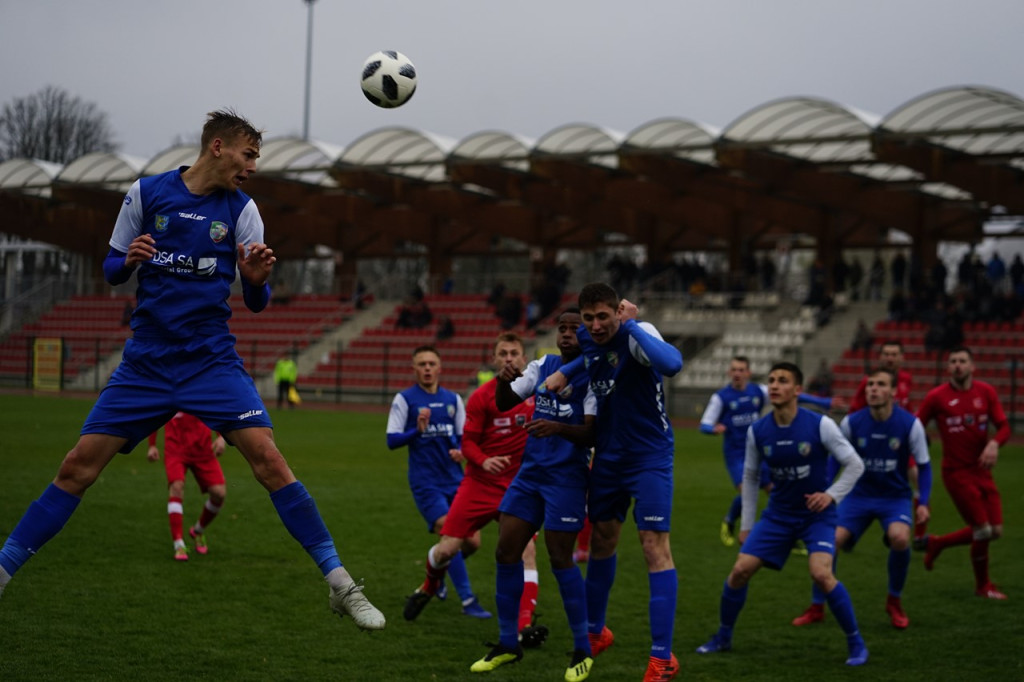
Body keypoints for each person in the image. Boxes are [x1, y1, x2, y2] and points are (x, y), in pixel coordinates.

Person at [0, 109, 384, 631]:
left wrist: (254, 279)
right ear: (218, 147)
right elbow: (112, 268)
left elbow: (256, 301)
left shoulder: (243, 211)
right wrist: (130, 259)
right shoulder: (146, 193)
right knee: (77, 467)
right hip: (147, 362)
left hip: (210, 360)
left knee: (270, 460)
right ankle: (3, 571)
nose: (252, 167)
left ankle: (341, 585)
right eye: (249, 155)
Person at [546, 283, 684, 682]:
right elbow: (592, 359)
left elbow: (671, 364)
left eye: (603, 317)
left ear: (617, 312)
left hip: (649, 458)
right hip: (608, 456)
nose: (594, 326)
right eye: (588, 319)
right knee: (603, 538)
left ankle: (662, 658)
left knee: (653, 546)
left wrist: (634, 325)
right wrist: (564, 373)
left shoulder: (639, 335)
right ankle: (595, 631)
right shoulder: (590, 338)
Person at [696, 362, 868, 666]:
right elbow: (750, 479)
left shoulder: (821, 425)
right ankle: (723, 636)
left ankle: (856, 642)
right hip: (777, 516)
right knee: (739, 572)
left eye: (783, 380)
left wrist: (831, 495)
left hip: (817, 517)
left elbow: (855, 464)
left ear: (797, 390)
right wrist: (746, 526)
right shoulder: (758, 430)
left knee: (821, 574)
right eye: (772, 380)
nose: (774, 385)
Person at [470, 310, 597, 681]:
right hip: (531, 476)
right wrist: (503, 379)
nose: (568, 334)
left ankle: (582, 649)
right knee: (505, 550)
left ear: (588, 335)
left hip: (567, 479)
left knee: (560, 559)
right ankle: (509, 644)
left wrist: (556, 427)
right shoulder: (543, 365)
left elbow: (592, 435)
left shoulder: (593, 377)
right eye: (563, 328)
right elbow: (507, 401)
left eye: (577, 329)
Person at [402, 333, 538, 626]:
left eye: (514, 353)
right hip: (479, 484)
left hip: (517, 486)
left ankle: (525, 622)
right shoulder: (481, 396)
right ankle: (429, 585)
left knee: (527, 549)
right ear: (494, 360)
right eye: (503, 354)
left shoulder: (536, 395)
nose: (509, 359)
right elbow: (468, 444)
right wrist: (485, 460)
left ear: (524, 359)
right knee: (449, 548)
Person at [791, 368, 932, 629]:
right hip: (858, 496)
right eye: (870, 385)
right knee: (830, 542)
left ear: (893, 391)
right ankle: (816, 606)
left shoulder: (910, 424)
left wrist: (923, 501)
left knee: (900, 538)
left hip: (894, 497)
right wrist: (827, 490)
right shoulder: (852, 422)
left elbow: (924, 465)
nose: (873, 389)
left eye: (880, 385)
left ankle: (894, 602)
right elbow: (834, 458)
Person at [386, 345, 488, 617]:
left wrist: (459, 450)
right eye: (422, 364)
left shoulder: (453, 400)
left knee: (473, 543)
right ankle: (468, 600)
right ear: (414, 369)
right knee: (450, 532)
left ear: (440, 368)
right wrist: (415, 432)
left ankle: (438, 574)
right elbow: (391, 440)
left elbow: (462, 439)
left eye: (432, 363)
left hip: (456, 480)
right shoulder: (405, 399)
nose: (428, 368)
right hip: (426, 482)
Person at [699, 356, 839, 548]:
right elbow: (705, 423)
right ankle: (730, 521)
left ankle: (790, 535)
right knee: (747, 489)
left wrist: (823, 402)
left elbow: (795, 395)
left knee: (776, 491)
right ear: (729, 373)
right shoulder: (721, 397)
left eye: (741, 370)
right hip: (736, 455)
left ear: (748, 373)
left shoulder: (758, 391)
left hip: (762, 451)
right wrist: (713, 429)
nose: (737, 373)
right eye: (734, 370)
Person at [916, 346, 1011, 599]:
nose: (958, 365)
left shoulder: (986, 392)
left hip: (982, 471)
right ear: (948, 368)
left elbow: (1004, 427)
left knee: (996, 531)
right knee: (982, 530)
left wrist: (993, 444)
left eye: (962, 361)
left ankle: (937, 543)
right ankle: (983, 587)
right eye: (953, 361)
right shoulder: (936, 397)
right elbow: (916, 426)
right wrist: (917, 448)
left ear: (972, 366)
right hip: (956, 473)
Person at [847, 341, 926, 543]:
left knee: (916, 476)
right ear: (880, 357)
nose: (890, 358)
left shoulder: (906, 380)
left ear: (902, 358)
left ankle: (916, 529)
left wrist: (912, 432)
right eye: (886, 354)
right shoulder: (869, 382)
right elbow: (856, 409)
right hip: (873, 439)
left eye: (894, 354)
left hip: (898, 438)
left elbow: (906, 406)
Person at [147, 412, 228, 561]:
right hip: (175, 449)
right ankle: (178, 544)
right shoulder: (169, 389)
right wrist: (152, 445)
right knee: (176, 488)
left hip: (203, 449)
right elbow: (157, 413)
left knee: (219, 493)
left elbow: (214, 409)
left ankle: (198, 531)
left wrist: (221, 436)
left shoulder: (203, 389)